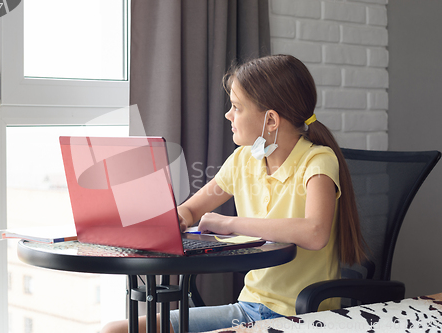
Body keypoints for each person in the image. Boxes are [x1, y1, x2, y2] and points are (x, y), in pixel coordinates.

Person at [102, 54, 366, 333]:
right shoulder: (243, 160)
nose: (229, 115)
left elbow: (315, 232)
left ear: (271, 121)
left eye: (237, 107)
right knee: (114, 330)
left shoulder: (318, 161)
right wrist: (176, 217)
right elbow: (192, 209)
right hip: (248, 309)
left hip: (301, 317)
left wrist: (229, 224)